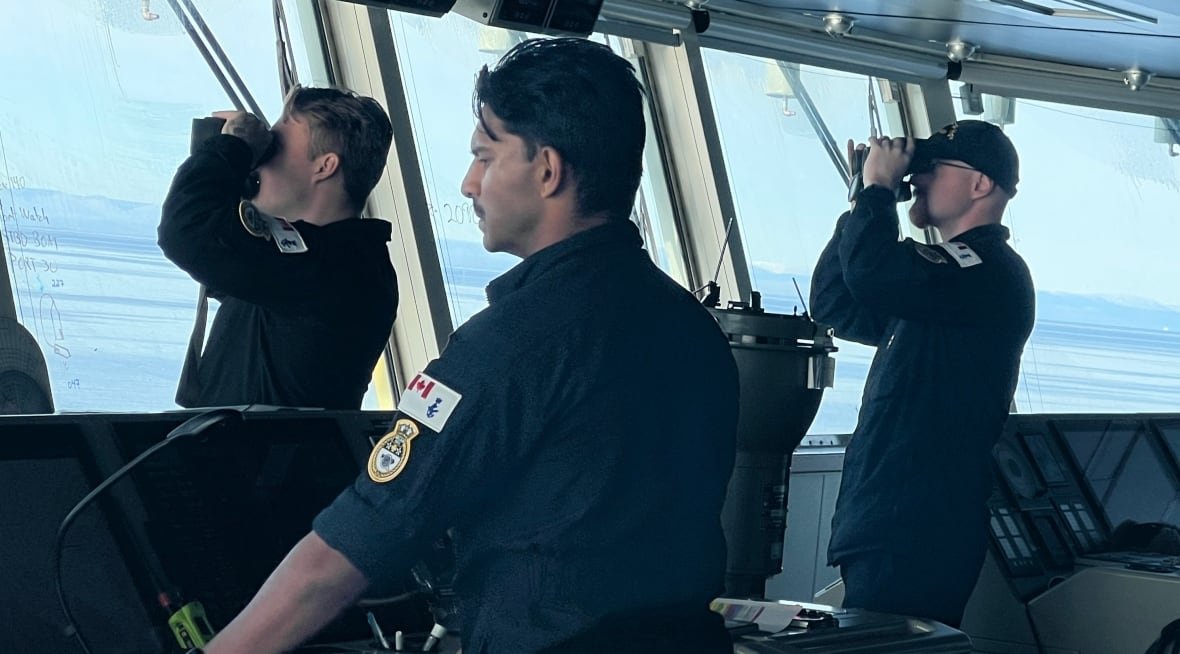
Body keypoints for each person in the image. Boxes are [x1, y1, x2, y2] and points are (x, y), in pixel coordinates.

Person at [198, 38, 739, 654]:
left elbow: (343, 554)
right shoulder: (691, 329)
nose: (468, 183)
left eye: (485, 156)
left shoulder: (514, 343)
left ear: (547, 170)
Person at [810, 120, 1035, 627]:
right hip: (893, 524)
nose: (917, 177)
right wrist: (863, 200)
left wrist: (879, 192)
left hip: (915, 527)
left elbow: (872, 272)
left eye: (931, 167)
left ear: (981, 184)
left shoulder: (986, 272)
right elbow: (836, 301)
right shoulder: (941, 280)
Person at [158, 86, 397, 410]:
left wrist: (232, 149)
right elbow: (216, 246)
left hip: (261, 444)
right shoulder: (308, 258)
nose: (261, 164)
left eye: (276, 147)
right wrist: (232, 161)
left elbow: (186, 233)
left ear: (324, 166)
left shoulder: (342, 269)